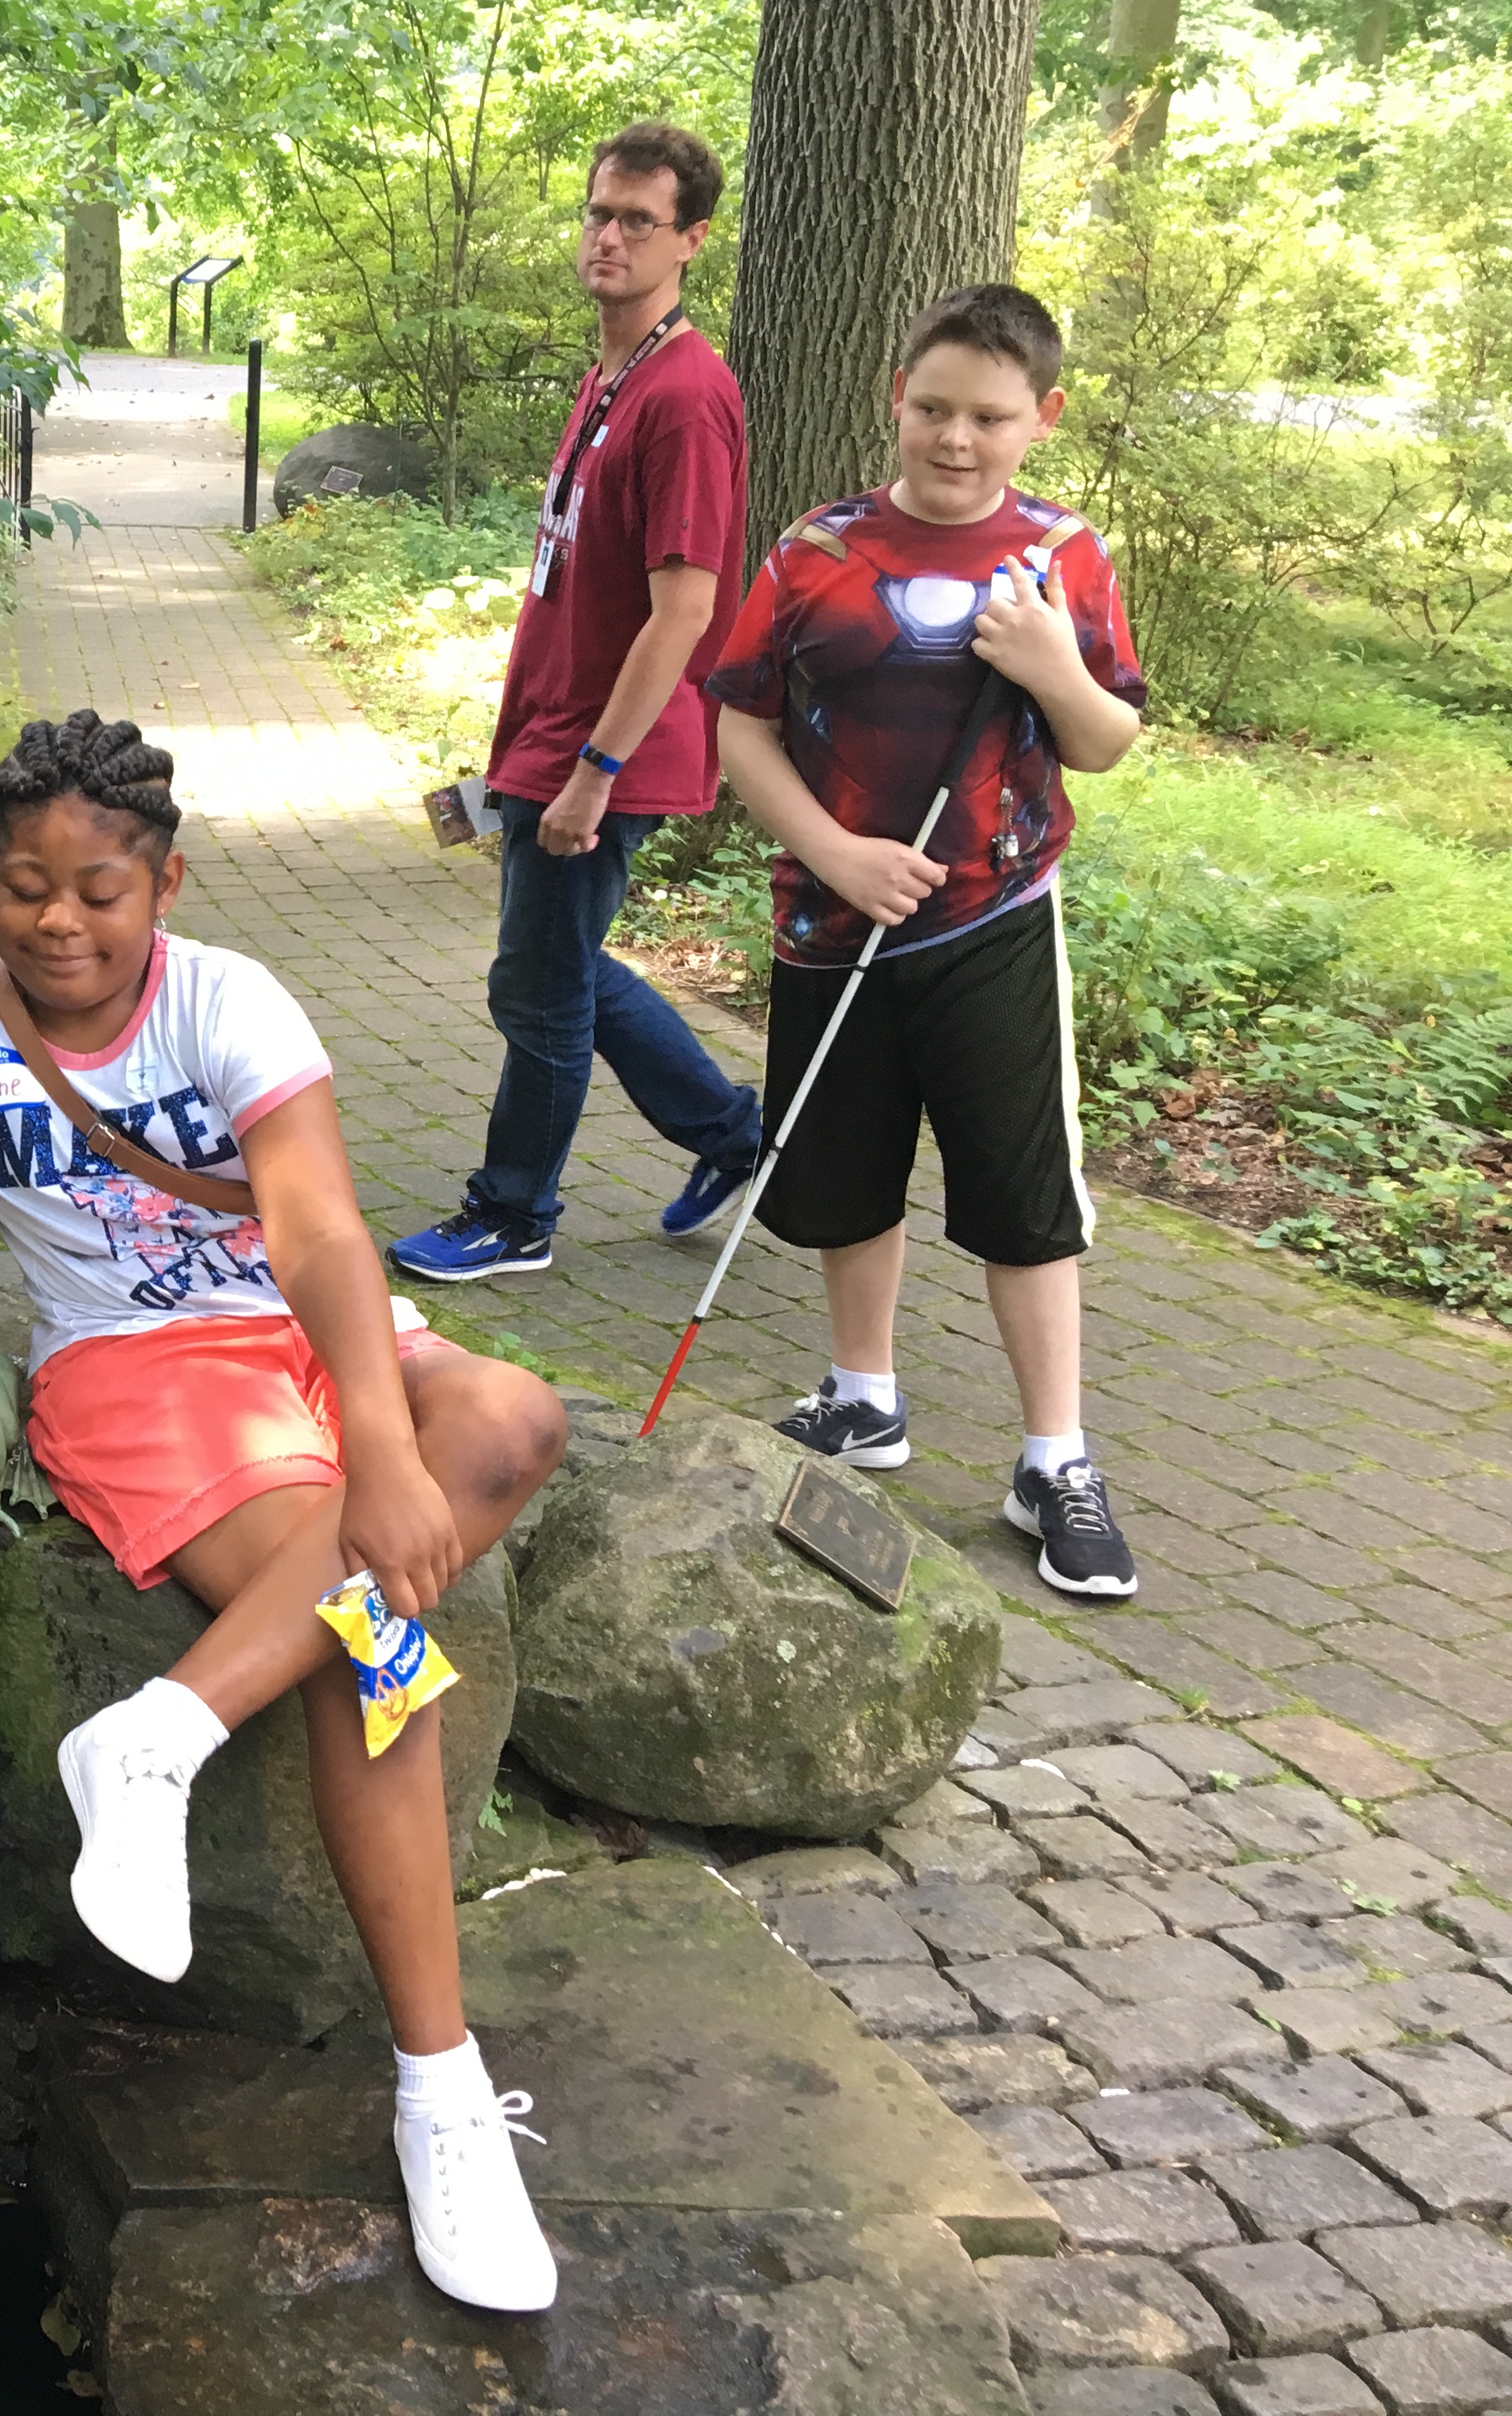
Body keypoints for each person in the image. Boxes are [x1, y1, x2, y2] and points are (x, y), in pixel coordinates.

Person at [0, 706, 569, 2314]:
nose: (58, 918)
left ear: (163, 884)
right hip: (132, 1373)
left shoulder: (231, 1001)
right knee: (369, 1652)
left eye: (98, 887)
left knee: (516, 1414)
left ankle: (159, 1732)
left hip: (309, 1336)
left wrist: (383, 1442)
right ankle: (440, 2089)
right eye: (23, 884)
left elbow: (319, 1236)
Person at [702, 284, 1145, 1603]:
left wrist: (1046, 662)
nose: (957, 438)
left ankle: (1053, 1459)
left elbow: (1106, 739)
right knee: (847, 1175)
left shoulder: (1060, 558)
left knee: (1024, 1196)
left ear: (1041, 419)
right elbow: (741, 726)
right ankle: (863, 1393)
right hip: (829, 922)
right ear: (895, 397)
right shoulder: (815, 550)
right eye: (934, 407)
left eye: (990, 417)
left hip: (992, 922)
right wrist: (833, 852)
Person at [391, 121, 764, 1285]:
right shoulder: (610, 376)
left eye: (638, 220)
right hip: (548, 731)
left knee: (537, 985)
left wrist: (595, 771)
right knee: (560, 961)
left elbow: (685, 612)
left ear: (691, 240)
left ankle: (515, 1214)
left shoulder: (687, 399)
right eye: (599, 213)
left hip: (606, 751)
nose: (609, 236)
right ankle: (733, 1130)